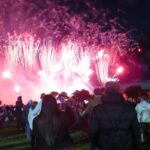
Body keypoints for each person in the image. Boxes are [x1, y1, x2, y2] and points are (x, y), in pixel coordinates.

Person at [89, 81, 141, 150]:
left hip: (105, 144)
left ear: (105, 91)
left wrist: (93, 145)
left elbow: (93, 130)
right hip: (126, 143)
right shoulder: (129, 108)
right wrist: (138, 146)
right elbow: (136, 130)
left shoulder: (97, 110)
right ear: (119, 90)